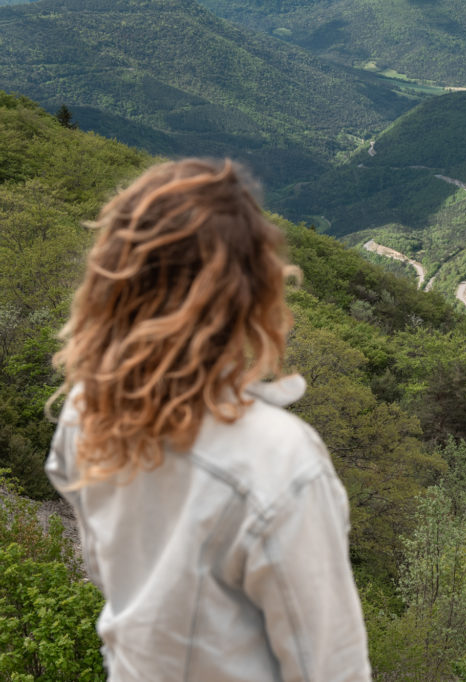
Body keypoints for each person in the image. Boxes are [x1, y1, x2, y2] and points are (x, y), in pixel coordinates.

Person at [45, 158, 372, 681]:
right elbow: (330, 668)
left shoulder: (89, 408)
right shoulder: (279, 459)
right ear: (250, 292)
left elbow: (107, 573)